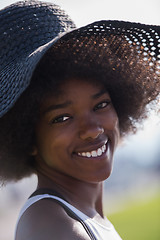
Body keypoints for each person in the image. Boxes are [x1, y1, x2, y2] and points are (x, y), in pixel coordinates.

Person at [0, 1, 160, 240]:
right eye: (62, 118)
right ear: (27, 137)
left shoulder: (80, 218)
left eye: (101, 105)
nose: (93, 130)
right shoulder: (52, 226)